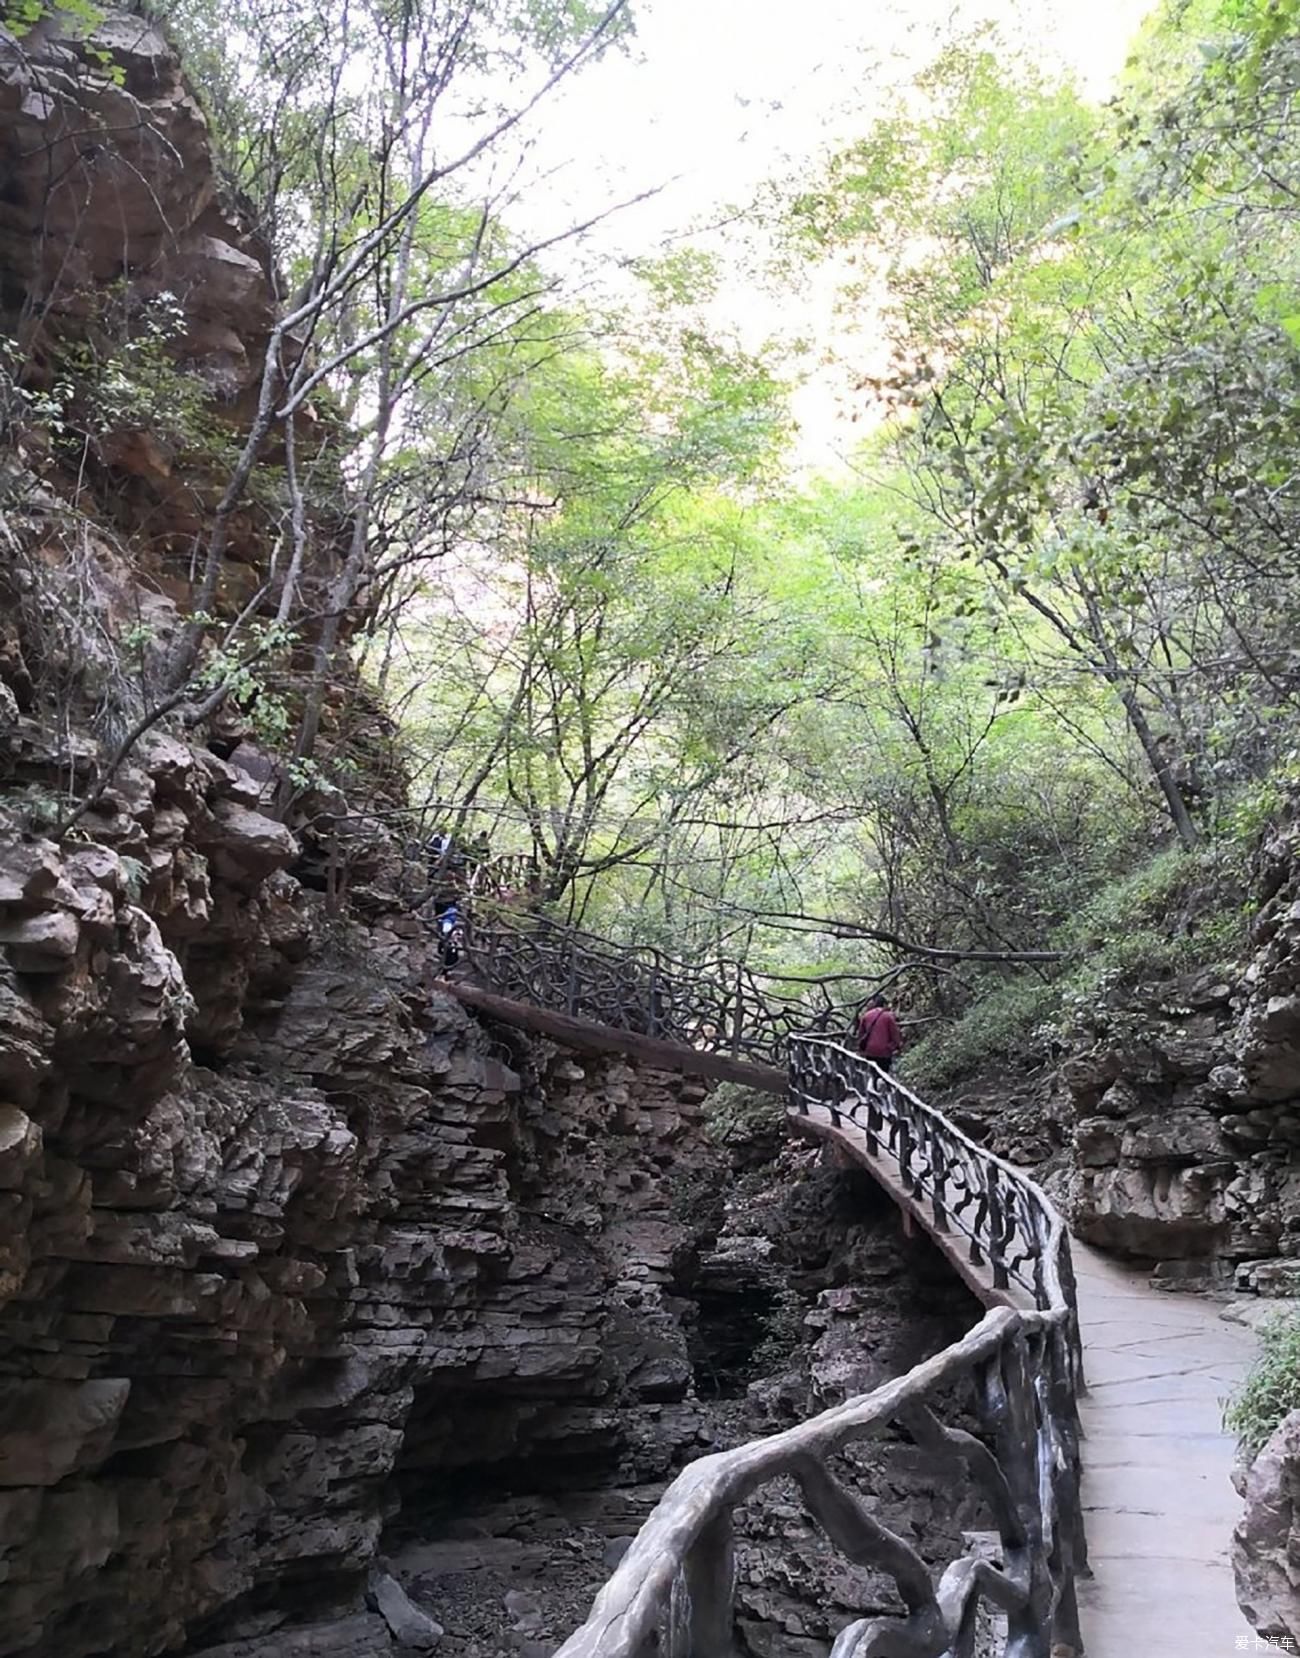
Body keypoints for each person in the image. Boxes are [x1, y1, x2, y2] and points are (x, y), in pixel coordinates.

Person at [855, 993, 903, 1072]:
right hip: (884, 1051)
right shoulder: (888, 1016)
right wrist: (897, 1046)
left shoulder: (866, 1015)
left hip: (870, 1051)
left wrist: (861, 1049)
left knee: (872, 1072)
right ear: (884, 1004)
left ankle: (873, 1083)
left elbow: (861, 1034)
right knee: (884, 1074)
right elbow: (894, 1034)